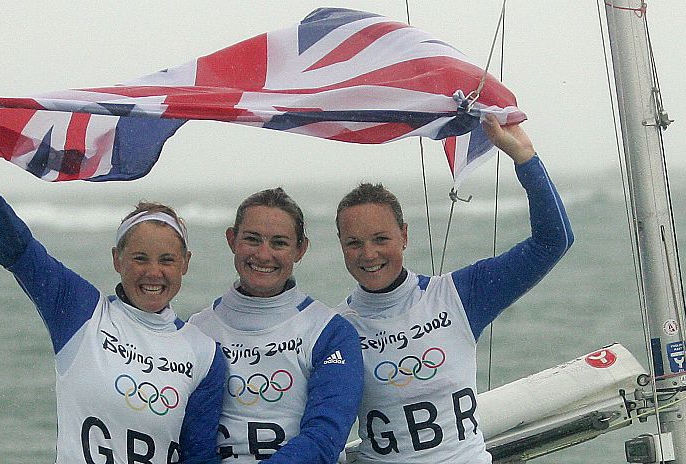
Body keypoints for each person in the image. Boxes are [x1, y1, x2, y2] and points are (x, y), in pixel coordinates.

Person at [0, 95, 225, 464]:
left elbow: (200, 457)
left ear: (185, 264)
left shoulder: (204, 355)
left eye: (167, 260)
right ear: (117, 260)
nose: (153, 272)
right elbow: (12, 242)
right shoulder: (80, 312)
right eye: (139, 258)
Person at [335, 115, 574, 464]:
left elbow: (553, 241)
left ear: (404, 235)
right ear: (340, 244)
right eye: (354, 243)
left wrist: (524, 157)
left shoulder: (459, 296)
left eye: (381, 239)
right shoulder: (334, 330)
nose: (368, 254)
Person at [188, 187, 364, 463]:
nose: (263, 254)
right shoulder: (196, 330)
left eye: (279, 243)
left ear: (300, 249)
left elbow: (325, 435)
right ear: (232, 240)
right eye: (252, 239)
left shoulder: (330, 332)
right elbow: (192, 442)